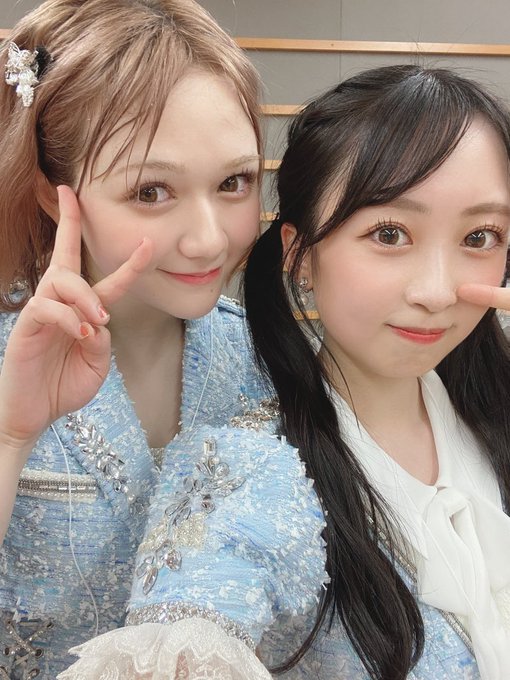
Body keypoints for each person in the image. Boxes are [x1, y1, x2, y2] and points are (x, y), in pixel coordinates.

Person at [59, 65, 510, 680]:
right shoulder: (250, 476)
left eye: (480, 236)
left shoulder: (490, 416)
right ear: (300, 254)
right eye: (389, 233)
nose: (436, 292)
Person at [0, 0, 266, 676]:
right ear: (52, 194)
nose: (209, 238)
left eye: (234, 182)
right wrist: (10, 437)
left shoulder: (267, 361)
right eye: (151, 191)